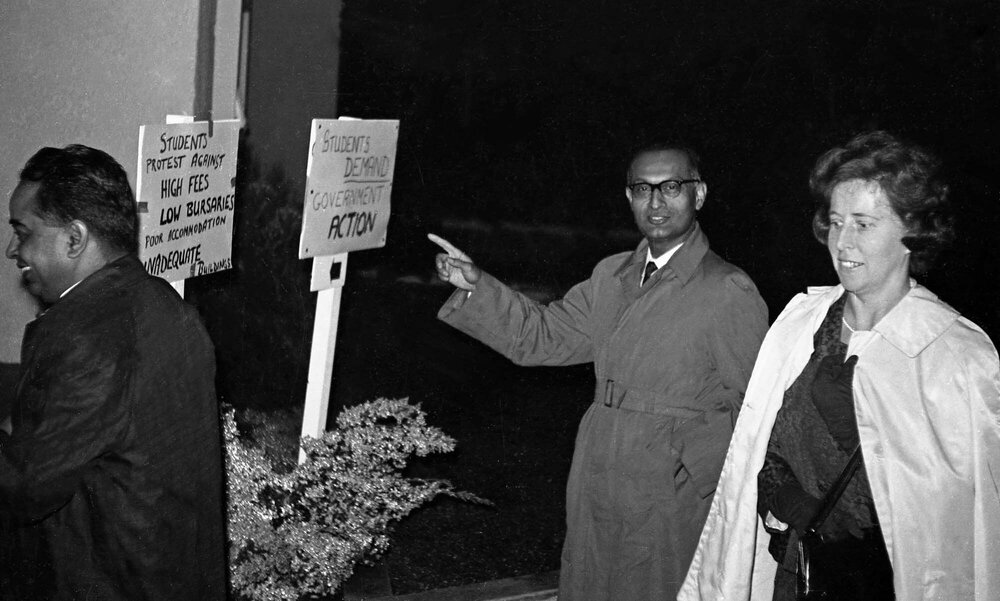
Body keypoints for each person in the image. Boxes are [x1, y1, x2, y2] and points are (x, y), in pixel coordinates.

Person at [430, 143, 769, 600]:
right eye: (643, 189)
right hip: (601, 464)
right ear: (628, 198)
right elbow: (542, 336)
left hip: (670, 488)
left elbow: (754, 409)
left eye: (671, 187)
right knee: (592, 580)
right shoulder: (612, 276)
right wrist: (478, 286)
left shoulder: (728, 289)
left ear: (699, 194)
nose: (656, 202)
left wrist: (689, 469)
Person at [679, 131, 1000, 601]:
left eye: (863, 224)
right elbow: (759, 447)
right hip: (800, 576)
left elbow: (964, 517)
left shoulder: (955, 354)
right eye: (835, 222)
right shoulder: (802, 323)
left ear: (912, 232)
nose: (841, 242)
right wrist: (787, 500)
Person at [0, 145, 226, 600]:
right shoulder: (163, 302)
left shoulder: (87, 336)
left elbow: (23, 487)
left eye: (22, 232)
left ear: (75, 238)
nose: (12, 250)